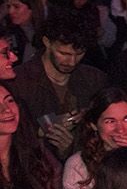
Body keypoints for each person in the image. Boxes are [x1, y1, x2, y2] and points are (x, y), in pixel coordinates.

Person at [12, 14, 106, 159]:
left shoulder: (95, 79)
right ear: (47, 42)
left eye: (79, 54)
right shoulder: (19, 82)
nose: (72, 62)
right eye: (64, 53)